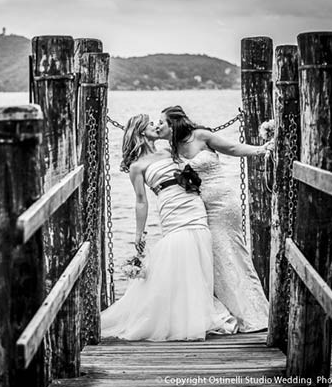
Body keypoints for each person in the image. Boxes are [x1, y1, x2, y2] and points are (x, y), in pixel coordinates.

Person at [100, 114, 238, 341]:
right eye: (150, 124)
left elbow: (194, 154)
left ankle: (193, 310)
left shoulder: (169, 151)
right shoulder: (137, 166)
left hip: (192, 203)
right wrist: (138, 232)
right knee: (178, 249)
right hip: (171, 207)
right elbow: (141, 200)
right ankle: (169, 314)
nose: (156, 126)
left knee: (199, 248)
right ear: (141, 132)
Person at [158, 105, 270, 332]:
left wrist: (262, 149)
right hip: (199, 208)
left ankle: (253, 314)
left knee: (232, 252)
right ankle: (224, 313)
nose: (159, 125)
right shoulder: (172, 149)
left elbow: (233, 148)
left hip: (223, 202)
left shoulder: (201, 136)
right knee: (212, 257)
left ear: (174, 123)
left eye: (162, 122)